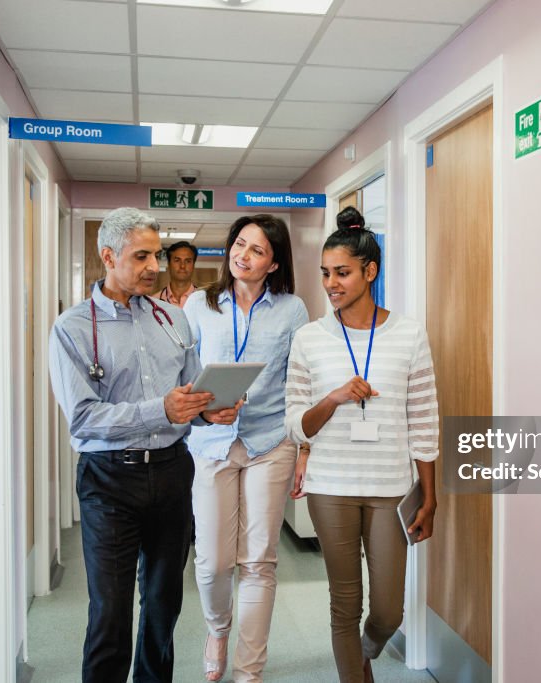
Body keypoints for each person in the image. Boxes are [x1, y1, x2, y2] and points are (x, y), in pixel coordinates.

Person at [48, 207, 240, 683]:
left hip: (173, 473)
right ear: (108, 257)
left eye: (157, 254)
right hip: (109, 481)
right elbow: (84, 417)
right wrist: (163, 409)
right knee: (110, 612)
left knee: (162, 605)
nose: (155, 265)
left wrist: (207, 410)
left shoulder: (174, 320)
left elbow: (188, 395)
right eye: (142, 256)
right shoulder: (72, 328)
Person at [285, 209, 439, 683]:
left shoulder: (409, 334)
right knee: (343, 603)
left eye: (343, 273)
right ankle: (356, 675)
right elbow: (297, 425)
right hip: (331, 485)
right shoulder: (309, 338)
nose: (331, 284)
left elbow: (425, 418)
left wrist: (430, 495)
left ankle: (365, 652)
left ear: (370, 272)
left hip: (390, 485)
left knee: (388, 611)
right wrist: (331, 399)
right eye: (326, 274)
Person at [182, 214, 309, 683]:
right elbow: (182, 372)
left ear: (274, 263)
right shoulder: (200, 304)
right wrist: (200, 410)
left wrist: (304, 451)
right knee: (214, 561)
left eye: (257, 250)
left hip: (269, 441)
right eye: (240, 244)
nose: (244, 255)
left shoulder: (292, 309)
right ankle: (218, 629)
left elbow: (299, 383)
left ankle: (248, 670)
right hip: (211, 442)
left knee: (259, 560)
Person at [157, 240, 197, 307]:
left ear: (193, 265)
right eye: (177, 260)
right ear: (168, 264)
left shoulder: (206, 301)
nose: (182, 266)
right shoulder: (154, 301)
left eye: (188, 261)